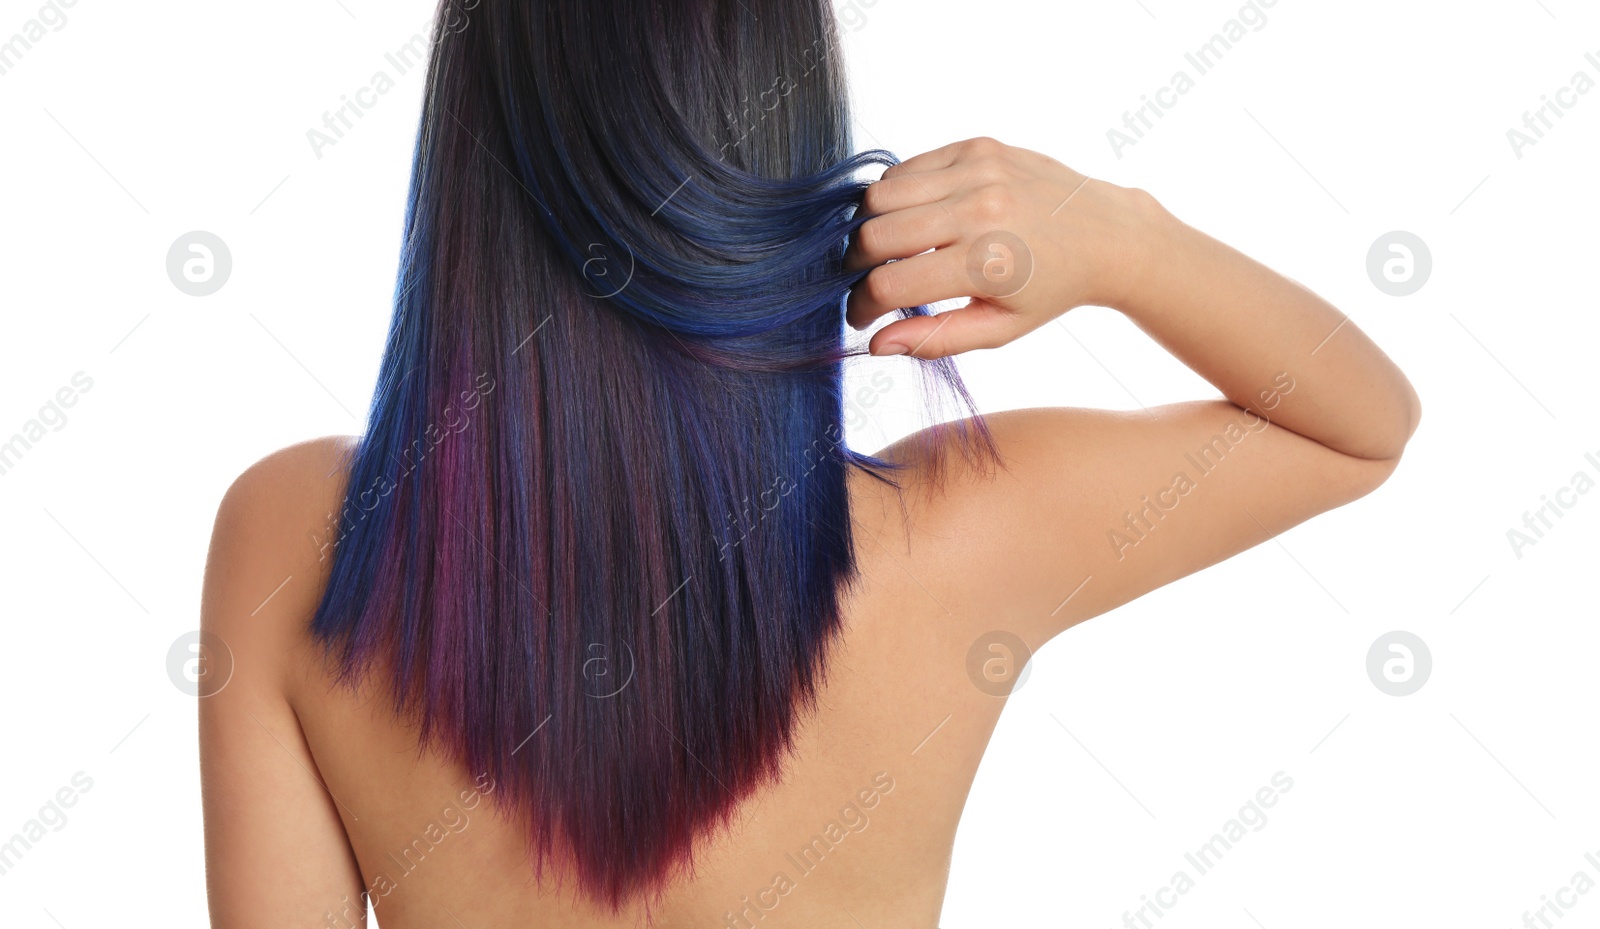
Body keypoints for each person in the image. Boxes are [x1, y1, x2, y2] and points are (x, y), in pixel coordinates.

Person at [197, 4, 1420, 928]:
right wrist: (1121, 240)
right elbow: (1355, 425)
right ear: (785, 159)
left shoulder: (298, 539)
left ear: (466, 166)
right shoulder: (957, 538)